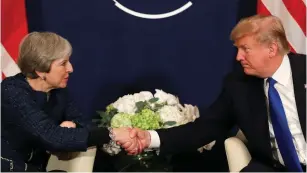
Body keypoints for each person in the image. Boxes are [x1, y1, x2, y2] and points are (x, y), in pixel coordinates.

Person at [120, 14, 306, 172]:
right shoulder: (239, 85)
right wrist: (150, 137)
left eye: (245, 49)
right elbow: (205, 128)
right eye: (238, 49)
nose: (238, 57)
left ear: (271, 49)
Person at [1, 32, 137, 172]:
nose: (70, 69)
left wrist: (72, 126)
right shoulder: (12, 92)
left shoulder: (58, 91)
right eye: (63, 63)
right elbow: (51, 136)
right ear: (41, 70)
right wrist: (112, 134)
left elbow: (82, 123)